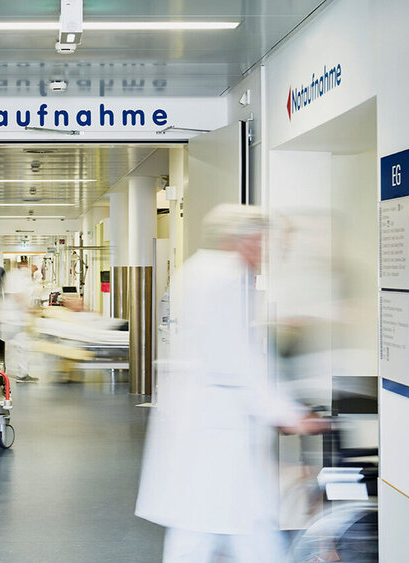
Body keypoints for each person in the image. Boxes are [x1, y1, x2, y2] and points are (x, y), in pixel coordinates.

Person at [136, 204, 326, 562]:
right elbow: (237, 358)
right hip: (217, 423)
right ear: (249, 239)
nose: (270, 252)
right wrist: (287, 413)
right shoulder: (227, 278)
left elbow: (231, 343)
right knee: (217, 524)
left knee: (221, 521)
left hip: (207, 419)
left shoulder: (199, 270)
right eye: (268, 242)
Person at [0, 260, 38, 382]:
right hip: (12, 319)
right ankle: (6, 373)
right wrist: (29, 309)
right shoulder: (18, 277)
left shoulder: (13, 275)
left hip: (11, 318)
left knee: (15, 347)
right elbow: (18, 296)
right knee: (15, 347)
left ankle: (9, 373)